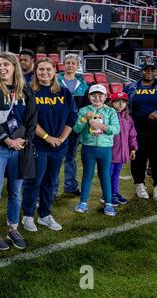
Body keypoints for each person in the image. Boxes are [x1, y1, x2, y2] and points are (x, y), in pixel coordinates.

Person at [0, 52, 37, 250]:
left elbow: (32, 119)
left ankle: (13, 228)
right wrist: (6, 139)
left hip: (20, 148)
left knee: (16, 192)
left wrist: (24, 140)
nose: (2, 68)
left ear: (15, 67)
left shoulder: (27, 89)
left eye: (6, 64)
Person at [21, 57, 77, 232]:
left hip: (59, 146)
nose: (44, 72)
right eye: (41, 69)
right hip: (38, 145)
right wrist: (47, 137)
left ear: (54, 72)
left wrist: (61, 138)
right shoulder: (30, 91)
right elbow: (28, 120)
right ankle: (28, 216)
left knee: (50, 182)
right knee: (34, 181)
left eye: (48, 69)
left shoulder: (63, 92)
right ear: (36, 72)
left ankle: (45, 215)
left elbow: (72, 117)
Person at [73, 84, 120, 216]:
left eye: (100, 95)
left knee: (104, 175)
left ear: (105, 97)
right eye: (94, 95)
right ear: (89, 96)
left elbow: (116, 130)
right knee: (87, 175)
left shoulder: (110, 111)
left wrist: (102, 126)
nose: (97, 98)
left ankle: (109, 203)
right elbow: (76, 129)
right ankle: (83, 203)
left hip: (105, 149)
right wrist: (84, 119)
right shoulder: (84, 110)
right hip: (88, 148)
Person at [124, 61, 157, 202]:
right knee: (139, 156)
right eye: (147, 70)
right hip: (137, 127)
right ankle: (139, 184)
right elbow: (121, 103)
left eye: (152, 70)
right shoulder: (131, 87)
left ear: (156, 72)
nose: (150, 73)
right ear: (142, 71)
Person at [54, 53, 90, 197]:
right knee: (56, 157)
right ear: (63, 64)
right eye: (67, 63)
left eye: (73, 63)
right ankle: (53, 189)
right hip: (57, 125)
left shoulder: (83, 84)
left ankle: (70, 186)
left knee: (71, 156)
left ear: (77, 65)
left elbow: (86, 106)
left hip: (75, 126)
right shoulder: (56, 81)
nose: (70, 65)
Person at [105, 92, 138, 206]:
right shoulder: (107, 116)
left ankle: (114, 193)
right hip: (109, 152)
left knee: (115, 174)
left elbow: (132, 135)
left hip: (122, 153)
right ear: (111, 103)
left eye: (123, 102)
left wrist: (133, 148)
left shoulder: (128, 118)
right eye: (117, 101)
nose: (120, 104)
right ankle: (106, 196)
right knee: (107, 174)